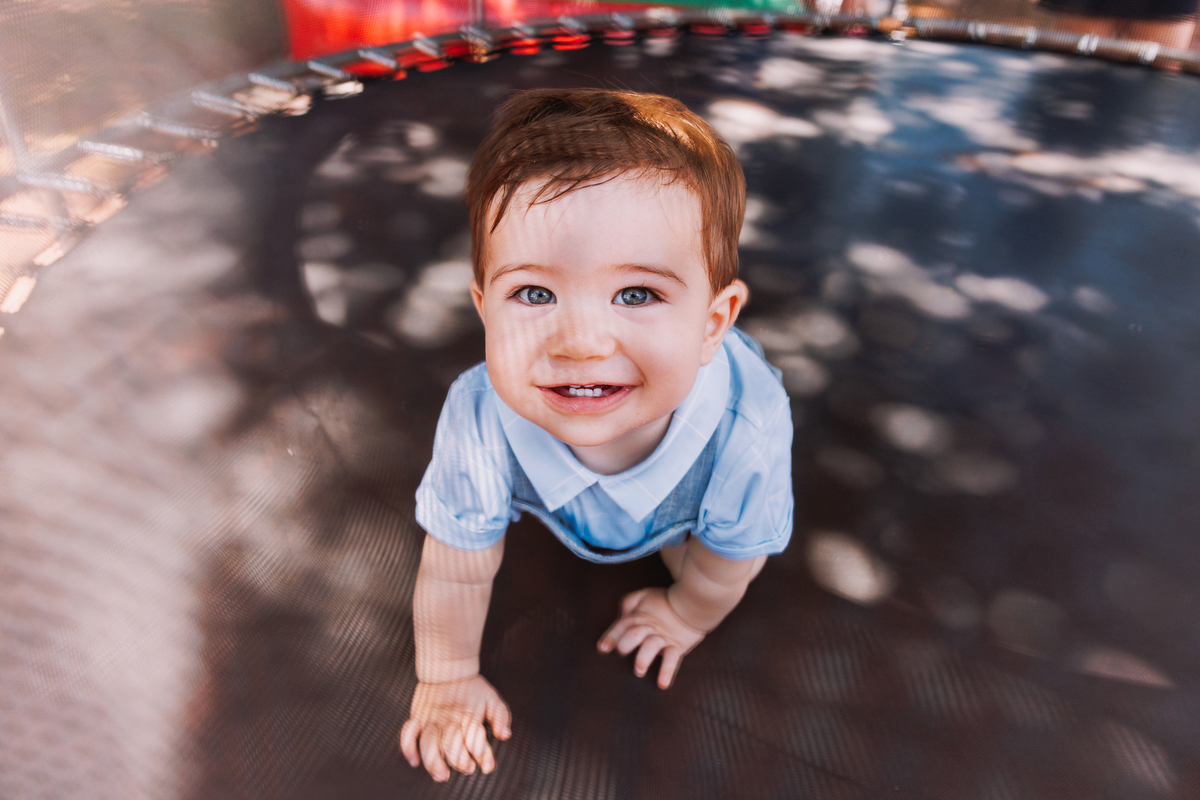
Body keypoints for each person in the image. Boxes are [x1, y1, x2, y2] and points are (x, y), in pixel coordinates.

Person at [398, 88, 794, 782]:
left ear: (712, 323)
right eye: (535, 294)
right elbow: (457, 565)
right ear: (484, 309)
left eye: (637, 295)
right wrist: (446, 676)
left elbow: (731, 560)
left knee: (702, 555)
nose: (580, 342)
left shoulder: (746, 432)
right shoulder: (480, 414)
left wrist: (684, 615)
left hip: (689, 507)